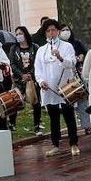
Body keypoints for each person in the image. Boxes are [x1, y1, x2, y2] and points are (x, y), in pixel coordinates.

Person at [34, 20, 80, 157]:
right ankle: (55, 144)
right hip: (49, 89)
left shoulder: (67, 46)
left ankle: (74, 143)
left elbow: (72, 63)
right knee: (53, 117)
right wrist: (41, 81)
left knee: (69, 115)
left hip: (65, 87)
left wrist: (60, 57)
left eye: (53, 30)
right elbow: (38, 69)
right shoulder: (41, 50)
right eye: (48, 31)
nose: (51, 33)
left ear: (58, 31)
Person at [8, 26, 42, 134]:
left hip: (32, 79)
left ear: (25, 34)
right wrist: (21, 74)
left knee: (35, 102)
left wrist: (30, 74)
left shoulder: (34, 47)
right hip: (19, 79)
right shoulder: (14, 48)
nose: (18, 36)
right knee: (14, 101)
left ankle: (37, 125)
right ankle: (12, 124)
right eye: (17, 34)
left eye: (20, 33)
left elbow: (38, 62)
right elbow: (12, 63)